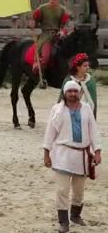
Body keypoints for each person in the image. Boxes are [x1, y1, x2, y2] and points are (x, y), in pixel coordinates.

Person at [43, 80, 101, 233]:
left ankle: (75, 215)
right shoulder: (57, 110)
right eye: (70, 91)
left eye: (75, 91)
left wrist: (97, 151)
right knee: (62, 189)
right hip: (62, 155)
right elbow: (50, 132)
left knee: (79, 190)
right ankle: (63, 222)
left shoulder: (87, 109)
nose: (73, 94)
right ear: (65, 93)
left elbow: (93, 130)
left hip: (81, 157)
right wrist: (46, 153)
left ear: (79, 92)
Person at [29, 0, 71, 83]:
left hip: (58, 34)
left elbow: (66, 24)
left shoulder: (62, 10)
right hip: (46, 34)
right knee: (46, 56)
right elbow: (35, 19)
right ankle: (42, 75)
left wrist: (62, 31)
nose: (52, 1)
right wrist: (33, 22)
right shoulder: (42, 8)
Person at [58, 53, 97, 118]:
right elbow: (62, 98)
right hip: (70, 115)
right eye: (85, 66)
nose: (88, 67)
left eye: (88, 65)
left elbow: (94, 101)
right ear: (78, 67)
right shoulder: (69, 80)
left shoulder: (91, 81)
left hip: (87, 115)